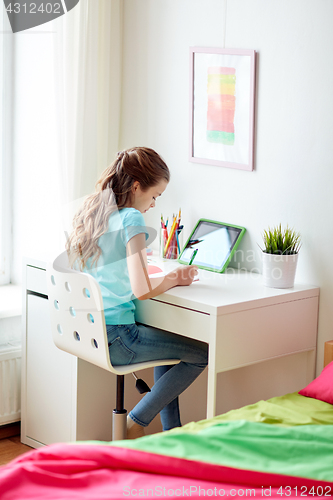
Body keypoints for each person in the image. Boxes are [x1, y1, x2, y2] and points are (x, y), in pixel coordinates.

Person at [66, 146, 208, 438]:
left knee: (170, 352)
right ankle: (138, 419)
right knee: (200, 353)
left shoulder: (95, 211)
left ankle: (171, 434)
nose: (154, 204)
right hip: (119, 337)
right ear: (136, 186)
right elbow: (142, 290)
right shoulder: (131, 218)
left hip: (92, 329)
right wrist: (174, 279)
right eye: (155, 195)